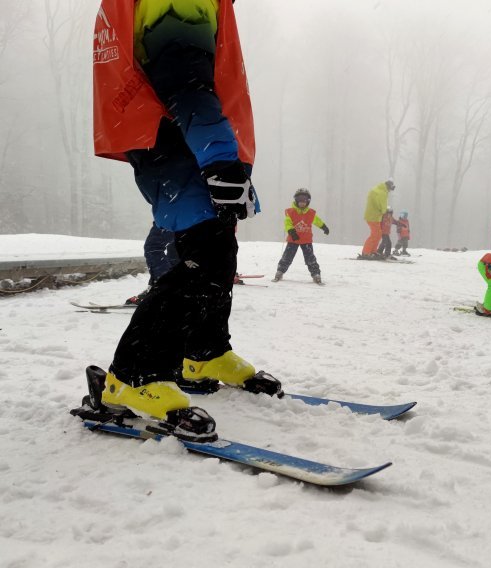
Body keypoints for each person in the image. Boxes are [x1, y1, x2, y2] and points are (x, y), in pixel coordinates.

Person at [87, 0, 281, 441]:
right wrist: (220, 159)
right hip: (179, 141)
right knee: (204, 260)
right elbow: (184, 76)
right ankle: (131, 377)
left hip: (186, 138)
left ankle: (203, 353)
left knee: (218, 253)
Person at [273, 188, 329, 284]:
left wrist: (323, 227)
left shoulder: (310, 213)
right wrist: (291, 231)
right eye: (300, 200)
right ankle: (280, 271)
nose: (302, 202)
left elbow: (317, 221)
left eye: (304, 200)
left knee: (310, 258)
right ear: (296, 200)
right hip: (293, 239)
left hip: (306, 240)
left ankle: (316, 274)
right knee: (287, 257)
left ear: (308, 201)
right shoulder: (291, 212)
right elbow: (287, 223)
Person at [361, 179, 394, 259]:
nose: (390, 191)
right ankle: (366, 252)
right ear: (388, 187)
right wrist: (385, 211)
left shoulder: (377, 190)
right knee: (375, 234)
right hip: (373, 216)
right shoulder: (382, 193)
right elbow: (383, 206)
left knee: (378, 234)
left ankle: (373, 251)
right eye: (390, 189)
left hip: (373, 215)